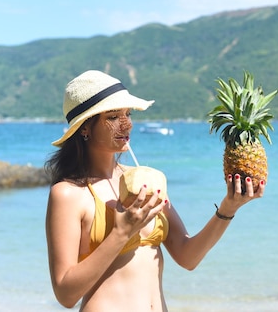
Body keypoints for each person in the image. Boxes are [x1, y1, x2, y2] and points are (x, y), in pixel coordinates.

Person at [44, 70, 265, 311]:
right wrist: (121, 233)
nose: (126, 124)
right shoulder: (67, 194)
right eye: (113, 116)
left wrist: (228, 208)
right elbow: (65, 294)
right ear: (85, 127)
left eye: (127, 114)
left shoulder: (147, 179)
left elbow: (187, 257)